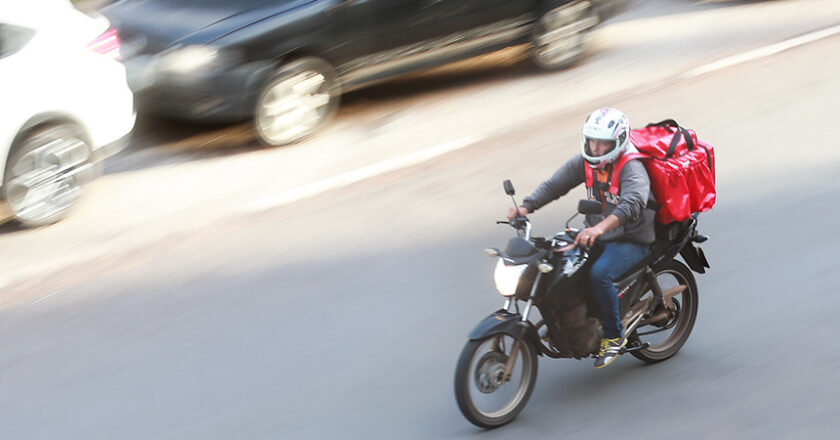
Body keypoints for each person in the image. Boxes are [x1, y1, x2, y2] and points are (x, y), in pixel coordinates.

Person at [507, 107, 656, 368]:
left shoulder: (631, 167)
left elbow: (632, 203)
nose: (596, 148)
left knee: (600, 274)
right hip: (594, 233)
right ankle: (567, 321)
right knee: (558, 265)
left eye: (603, 143)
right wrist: (526, 207)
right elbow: (556, 184)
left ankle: (613, 336)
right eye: (592, 141)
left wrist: (599, 228)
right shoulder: (585, 162)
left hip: (631, 238)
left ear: (619, 141)